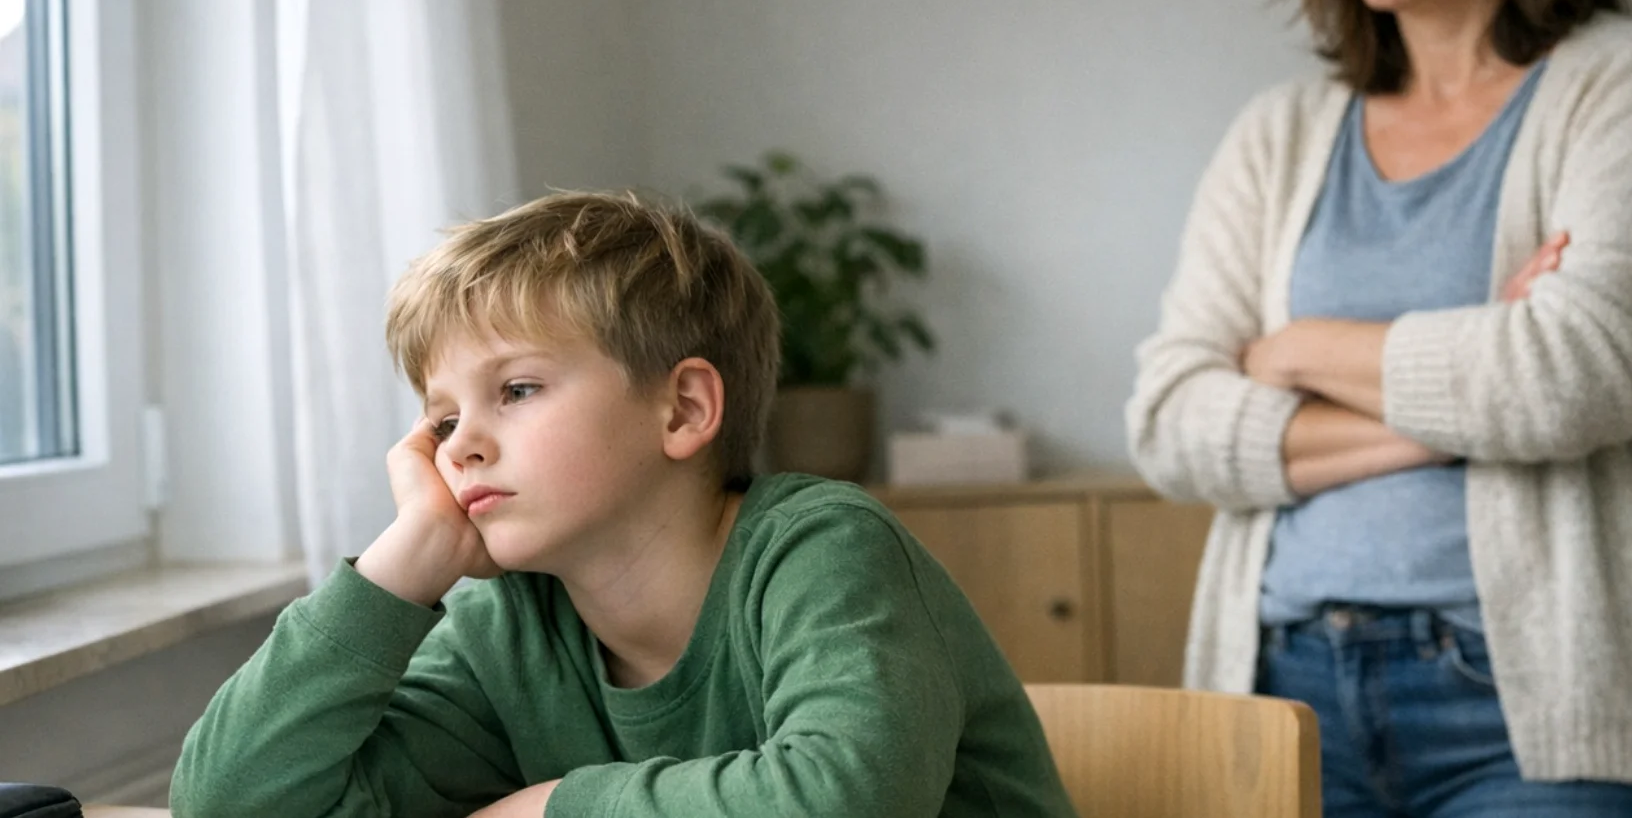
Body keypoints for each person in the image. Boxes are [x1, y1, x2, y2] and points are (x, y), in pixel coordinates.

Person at [1125, 0, 1632, 813]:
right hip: (1283, 696)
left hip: (1544, 708)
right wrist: (1465, 401)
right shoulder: (1277, 134)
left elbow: (1581, 375)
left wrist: (1293, 349)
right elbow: (1168, 423)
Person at [171, 191, 1075, 818]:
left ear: (681, 408)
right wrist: (399, 568)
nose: (459, 443)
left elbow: (848, 796)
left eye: (516, 389)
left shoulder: (822, 549)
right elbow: (230, 801)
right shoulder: (508, 625)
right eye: (442, 417)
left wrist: (554, 805)